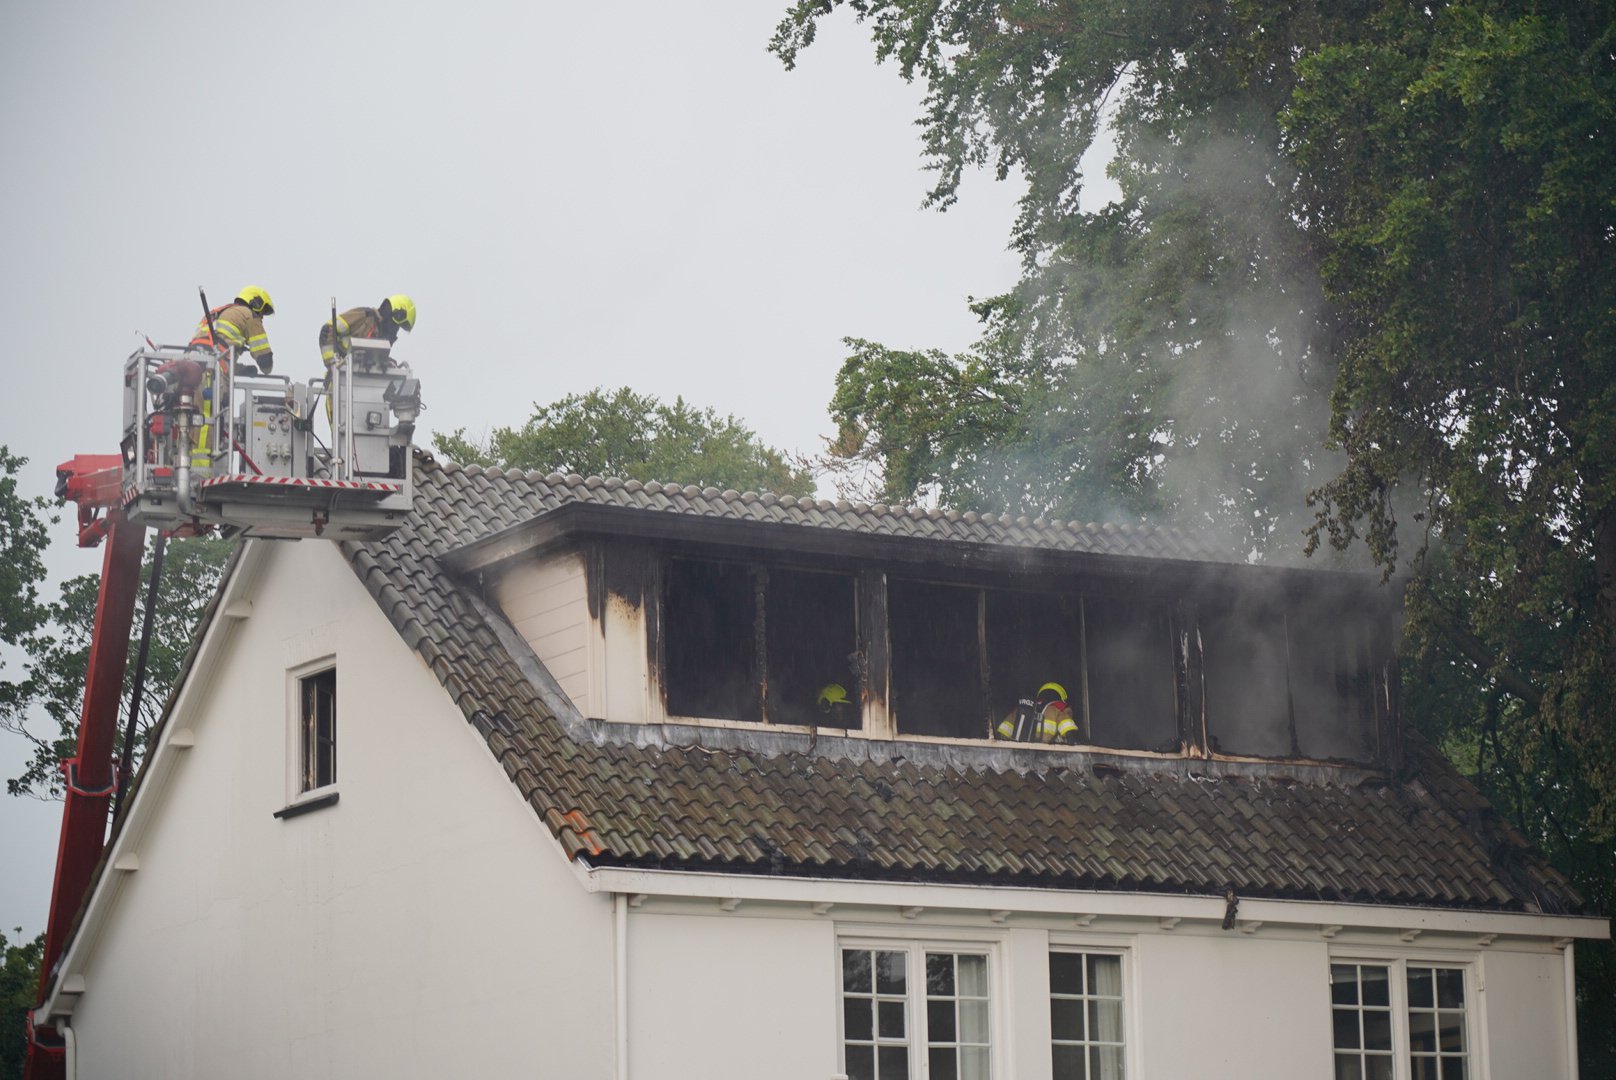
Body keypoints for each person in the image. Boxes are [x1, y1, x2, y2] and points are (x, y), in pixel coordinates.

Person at [192, 285, 275, 375]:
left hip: (189, 361)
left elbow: (217, 348)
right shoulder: (249, 315)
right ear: (255, 302)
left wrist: (241, 370)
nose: (261, 317)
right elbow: (265, 363)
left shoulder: (215, 314)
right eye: (262, 312)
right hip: (214, 371)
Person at [319, 294, 417, 364]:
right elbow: (327, 330)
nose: (395, 329)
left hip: (358, 387)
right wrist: (333, 364)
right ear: (394, 313)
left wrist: (385, 363)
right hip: (340, 384)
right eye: (398, 324)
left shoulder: (382, 336)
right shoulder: (365, 317)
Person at [995, 681, 1080, 744]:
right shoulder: (1059, 707)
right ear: (1061, 696)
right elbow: (1067, 727)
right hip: (1045, 754)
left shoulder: (1023, 707)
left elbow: (1003, 731)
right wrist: (1074, 739)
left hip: (1020, 752)